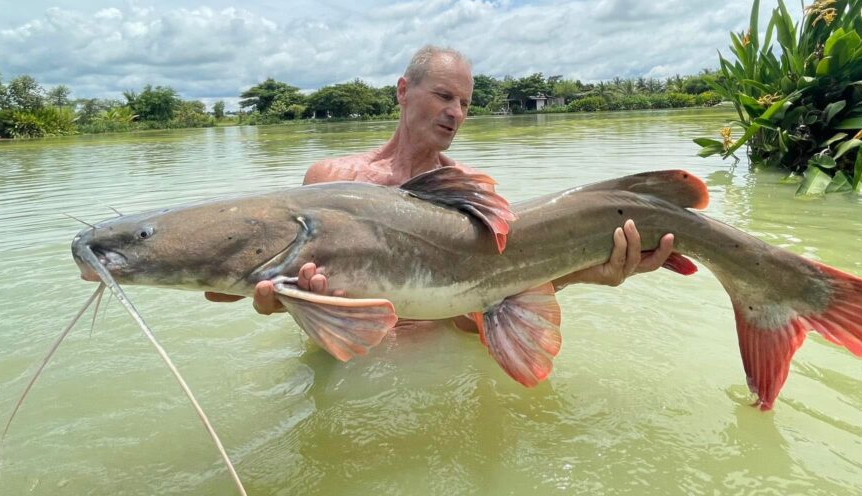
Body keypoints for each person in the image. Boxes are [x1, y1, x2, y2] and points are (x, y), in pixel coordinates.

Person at [206, 45, 674, 323]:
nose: (456, 112)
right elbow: (240, 283)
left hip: (436, 360)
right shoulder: (328, 179)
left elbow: (478, 316)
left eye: (465, 103)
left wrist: (587, 272)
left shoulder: (473, 198)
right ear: (404, 91)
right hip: (342, 365)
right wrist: (280, 302)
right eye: (444, 95)